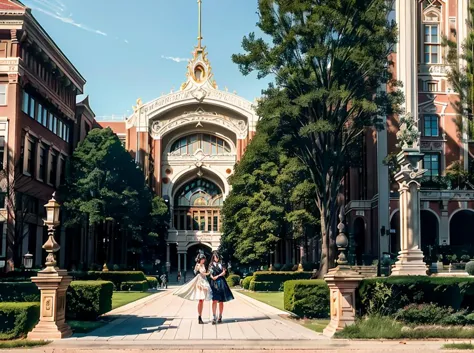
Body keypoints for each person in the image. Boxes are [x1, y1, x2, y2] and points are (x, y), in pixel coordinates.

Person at [173, 252, 212, 324]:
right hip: (199, 282)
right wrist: (209, 273)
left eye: (204, 259)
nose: (203, 260)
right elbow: (201, 273)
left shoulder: (203, 265)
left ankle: (200, 316)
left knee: (202, 299)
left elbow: (204, 273)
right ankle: (199, 316)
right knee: (200, 299)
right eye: (202, 259)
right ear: (199, 259)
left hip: (204, 281)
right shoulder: (197, 265)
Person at [209, 251, 234, 325]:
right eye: (215, 257)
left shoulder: (221, 264)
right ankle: (214, 316)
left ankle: (220, 316)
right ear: (213, 258)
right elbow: (210, 273)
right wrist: (212, 277)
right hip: (214, 283)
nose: (216, 258)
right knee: (214, 300)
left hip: (221, 282)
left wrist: (218, 276)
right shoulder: (211, 265)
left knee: (221, 301)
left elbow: (224, 272)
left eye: (217, 257)